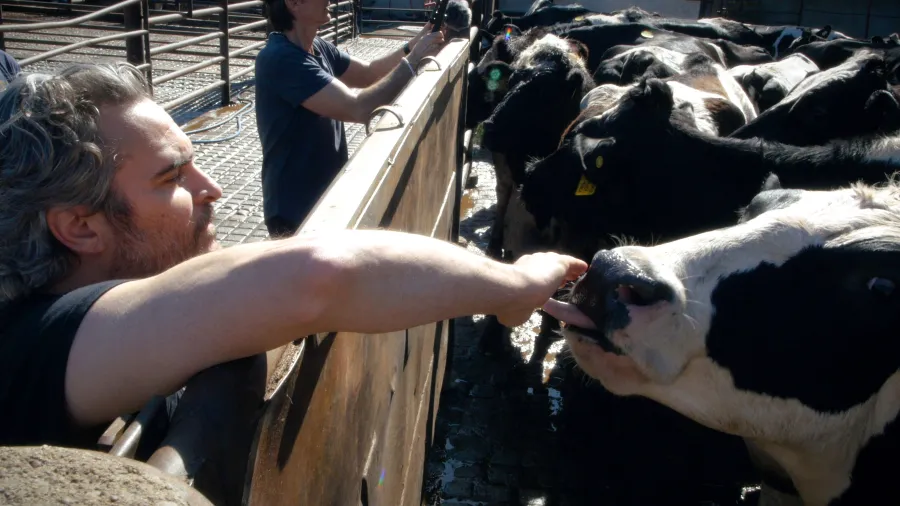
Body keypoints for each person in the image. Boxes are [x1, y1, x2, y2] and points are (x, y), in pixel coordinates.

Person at [0, 62, 587, 449]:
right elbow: (318, 277)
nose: (212, 189)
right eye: (172, 177)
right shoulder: (30, 346)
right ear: (79, 227)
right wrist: (515, 286)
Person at [255, 0, 448, 238]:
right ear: (294, 3)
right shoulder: (281, 59)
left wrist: (414, 45)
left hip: (322, 195)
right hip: (295, 207)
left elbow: (369, 74)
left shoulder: (317, 47)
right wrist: (414, 61)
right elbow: (358, 109)